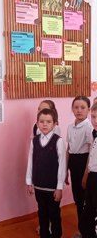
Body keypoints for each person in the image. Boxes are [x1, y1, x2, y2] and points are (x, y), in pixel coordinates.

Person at [26, 108, 66, 238]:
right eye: (41, 121)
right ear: (37, 123)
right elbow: (30, 162)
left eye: (48, 121)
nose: (44, 124)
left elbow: (62, 165)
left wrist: (59, 187)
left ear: (55, 124)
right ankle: (44, 234)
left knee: (54, 214)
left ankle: (56, 235)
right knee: (42, 213)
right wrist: (29, 182)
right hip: (38, 186)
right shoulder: (34, 141)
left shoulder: (58, 141)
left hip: (53, 187)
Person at [66, 96, 93, 238]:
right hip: (73, 163)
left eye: (82, 107)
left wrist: (85, 174)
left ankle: (85, 229)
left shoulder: (89, 127)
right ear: (72, 109)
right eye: (76, 107)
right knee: (77, 198)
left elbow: (91, 152)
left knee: (85, 199)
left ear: (88, 109)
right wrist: (65, 170)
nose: (79, 110)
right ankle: (81, 227)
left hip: (84, 163)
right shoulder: (70, 127)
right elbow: (68, 149)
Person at [79, 102, 97, 238]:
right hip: (92, 177)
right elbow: (91, 156)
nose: (95, 121)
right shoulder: (94, 133)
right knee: (88, 213)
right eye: (93, 117)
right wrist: (86, 175)